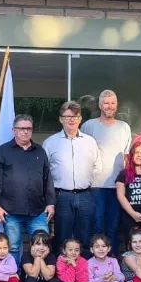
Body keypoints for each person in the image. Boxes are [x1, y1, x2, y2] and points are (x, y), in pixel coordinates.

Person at [0, 114, 54, 263]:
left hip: (37, 211)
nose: (25, 132)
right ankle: (15, 279)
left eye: (28, 128)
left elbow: (47, 179)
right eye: (22, 128)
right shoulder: (3, 151)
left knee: (42, 246)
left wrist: (51, 203)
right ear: (14, 130)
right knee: (13, 248)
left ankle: (37, 280)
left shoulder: (40, 151)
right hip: (10, 211)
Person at [44, 101, 101, 253]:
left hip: (85, 196)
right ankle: (61, 272)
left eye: (75, 116)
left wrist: (85, 181)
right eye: (67, 116)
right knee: (62, 236)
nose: (71, 119)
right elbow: (44, 172)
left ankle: (84, 272)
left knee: (85, 236)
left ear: (80, 118)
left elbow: (97, 166)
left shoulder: (89, 142)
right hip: (61, 196)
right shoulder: (50, 143)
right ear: (60, 119)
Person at [81, 90, 133, 254]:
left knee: (113, 227)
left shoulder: (124, 127)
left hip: (117, 186)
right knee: (97, 225)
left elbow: (127, 157)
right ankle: (94, 265)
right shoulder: (89, 125)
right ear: (100, 105)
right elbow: (83, 153)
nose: (109, 106)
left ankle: (113, 263)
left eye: (112, 103)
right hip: (96, 185)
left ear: (116, 105)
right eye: (106, 103)